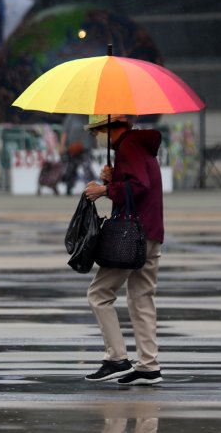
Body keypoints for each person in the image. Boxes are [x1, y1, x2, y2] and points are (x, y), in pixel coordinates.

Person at [83, 114, 164, 386]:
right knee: (141, 297)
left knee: (99, 293)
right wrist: (115, 177)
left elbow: (139, 186)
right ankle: (149, 365)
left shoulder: (129, 145)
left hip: (132, 235)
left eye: (97, 131)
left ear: (111, 128)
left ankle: (116, 357)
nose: (96, 137)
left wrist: (105, 189)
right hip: (151, 232)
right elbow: (136, 181)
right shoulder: (140, 145)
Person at [61, 114, 97, 195]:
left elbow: (94, 132)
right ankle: (69, 187)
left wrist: (95, 142)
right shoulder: (70, 117)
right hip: (72, 148)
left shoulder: (90, 117)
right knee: (71, 169)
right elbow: (65, 132)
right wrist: (62, 146)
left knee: (87, 167)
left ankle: (90, 188)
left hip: (86, 148)